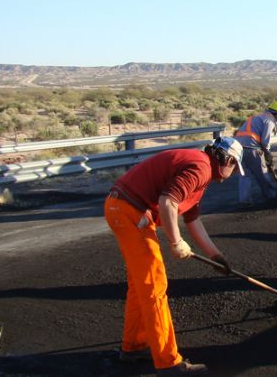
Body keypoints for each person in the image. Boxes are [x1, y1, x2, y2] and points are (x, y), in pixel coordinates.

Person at [104, 137, 244, 376]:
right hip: (130, 211)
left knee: (142, 286)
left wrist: (216, 256)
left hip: (121, 208)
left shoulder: (201, 169)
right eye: (234, 168)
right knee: (155, 286)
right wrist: (176, 242)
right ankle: (169, 363)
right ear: (228, 160)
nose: (231, 173)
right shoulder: (200, 167)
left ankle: (134, 347)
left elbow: (193, 220)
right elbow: (168, 201)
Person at [234, 102, 277, 206]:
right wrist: (268, 156)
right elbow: (265, 143)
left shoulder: (257, 117)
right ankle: (271, 196)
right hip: (252, 149)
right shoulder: (269, 121)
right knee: (262, 173)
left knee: (245, 175)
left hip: (238, 148)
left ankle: (244, 200)